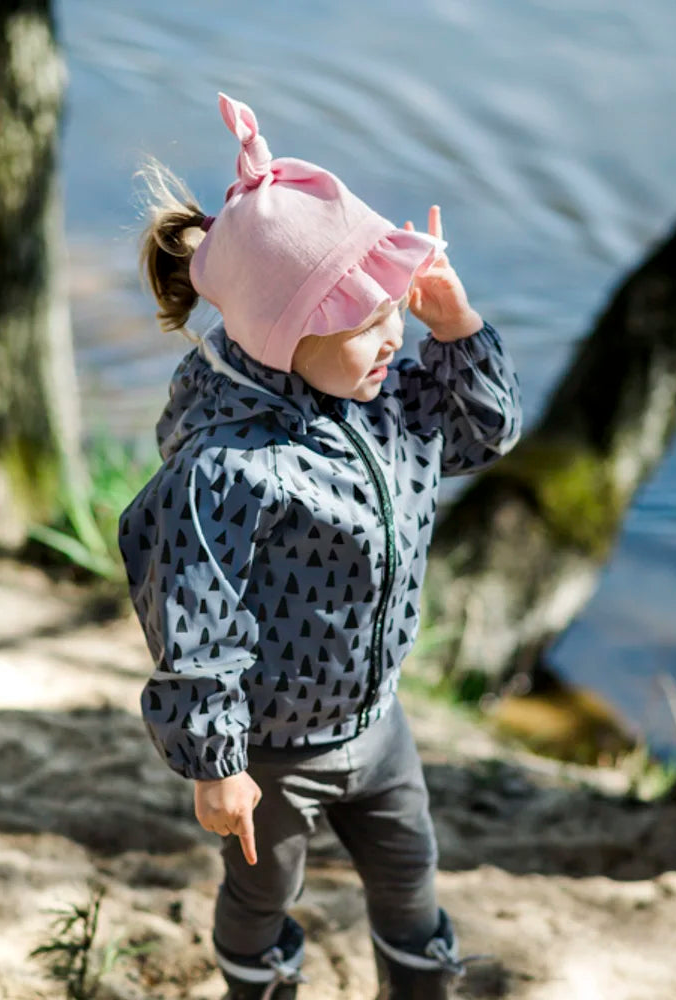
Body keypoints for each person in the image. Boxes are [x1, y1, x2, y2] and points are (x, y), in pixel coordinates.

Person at [118, 93, 522, 1000]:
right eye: (365, 324)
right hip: (274, 751)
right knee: (265, 893)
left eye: (395, 314)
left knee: (410, 872)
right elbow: (194, 619)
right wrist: (216, 763)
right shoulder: (227, 465)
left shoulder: (388, 404)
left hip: (378, 723)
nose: (393, 339)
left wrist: (455, 324)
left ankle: (417, 986)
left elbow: (485, 437)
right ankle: (258, 985)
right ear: (283, 337)